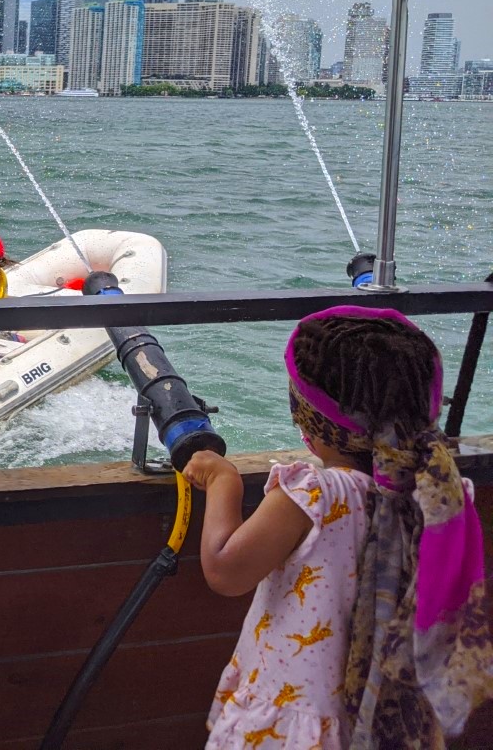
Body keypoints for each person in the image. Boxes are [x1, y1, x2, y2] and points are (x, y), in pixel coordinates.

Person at [183, 306, 492, 749]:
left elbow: (225, 571)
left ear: (315, 420)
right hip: (380, 715)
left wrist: (222, 480)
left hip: (293, 726)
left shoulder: (316, 494)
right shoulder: (441, 494)